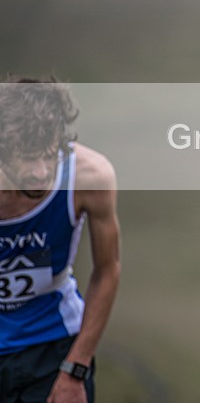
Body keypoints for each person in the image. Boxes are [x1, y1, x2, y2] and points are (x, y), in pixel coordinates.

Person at [0, 76, 121, 402]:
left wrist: (75, 369)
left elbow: (108, 269)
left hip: (54, 346)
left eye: (48, 155)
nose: (40, 171)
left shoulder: (89, 176)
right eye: (26, 157)